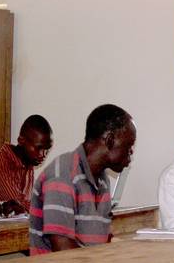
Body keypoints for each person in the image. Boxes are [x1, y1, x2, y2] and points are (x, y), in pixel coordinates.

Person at [29, 104, 136, 255]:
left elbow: (97, 240)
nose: (131, 153)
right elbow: (63, 253)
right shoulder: (62, 176)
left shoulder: (102, 179)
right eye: (129, 146)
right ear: (110, 140)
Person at [0, 114, 53, 212]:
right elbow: (15, 203)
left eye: (47, 150)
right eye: (38, 148)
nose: (43, 155)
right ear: (21, 140)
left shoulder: (28, 163)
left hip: (14, 226)